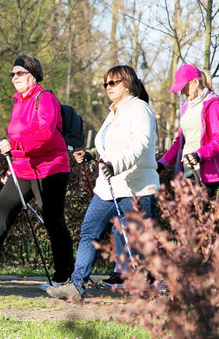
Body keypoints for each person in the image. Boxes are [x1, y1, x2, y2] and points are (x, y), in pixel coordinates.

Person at [0, 53, 74, 285]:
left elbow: (46, 134)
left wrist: (15, 145)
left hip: (50, 169)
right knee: (0, 214)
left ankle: (65, 277)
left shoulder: (44, 97)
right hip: (22, 169)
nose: (15, 77)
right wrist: (13, 160)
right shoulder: (18, 101)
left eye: (20, 73)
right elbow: (17, 136)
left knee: (53, 220)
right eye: (13, 74)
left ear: (34, 75)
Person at [46, 65, 160, 299]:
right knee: (89, 232)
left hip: (135, 187)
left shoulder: (140, 109)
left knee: (139, 241)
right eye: (106, 84)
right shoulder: (114, 111)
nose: (108, 87)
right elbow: (109, 144)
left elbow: (138, 146)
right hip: (108, 188)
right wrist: (90, 154)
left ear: (127, 84)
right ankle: (76, 285)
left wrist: (114, 166)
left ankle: (156, 286)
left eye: (113, 83)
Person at [157, 64, 219, 196]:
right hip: (188, 172)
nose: (182, 92)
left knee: (198, 215)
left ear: (195, 82)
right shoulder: (186, 106)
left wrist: (199, 155)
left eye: (184, 87)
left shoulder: (213, 104)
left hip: (208, 176)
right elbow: (180, 141)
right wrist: (162, 163)